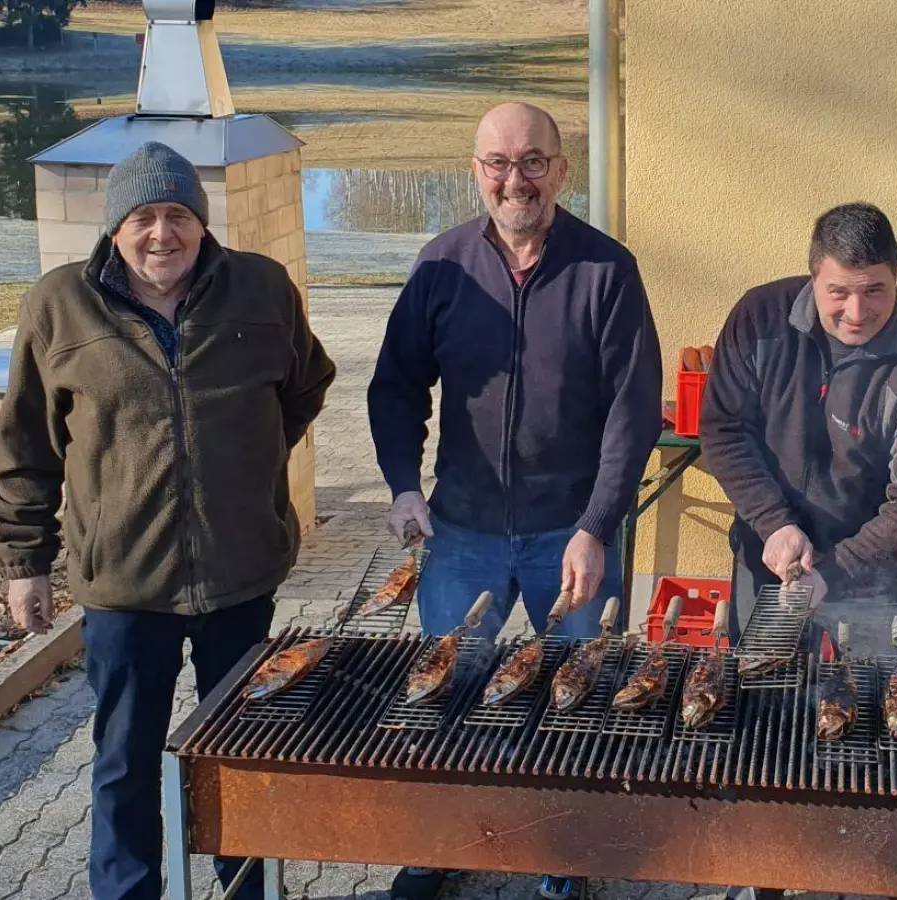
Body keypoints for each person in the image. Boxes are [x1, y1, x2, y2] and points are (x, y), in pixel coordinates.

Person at [0, 140, 336, 900]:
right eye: (142, 217)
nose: (161, 234)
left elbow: (305, 384)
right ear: (114, 229)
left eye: (178, 215)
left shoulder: (260, 288)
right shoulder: (59, 305)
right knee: (123, 761)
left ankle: (247, 887)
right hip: (122, 584)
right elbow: (26, 445)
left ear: (202, 225)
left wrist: (250, 463)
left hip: (240, 574)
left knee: (240, 754)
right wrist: (26, 562)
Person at [367, 102, 661, 900]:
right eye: (497, 162)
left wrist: (598, 524)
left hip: (570, 533)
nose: (515, 178)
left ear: (561, 171)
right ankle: (440, 844)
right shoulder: (442, 267)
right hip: (462, 531)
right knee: (446, 689)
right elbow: (395, 386)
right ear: (475, 172)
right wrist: (402, 483)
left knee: (571, 693)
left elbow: (633, 414)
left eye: (533, 161)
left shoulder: (606, 271)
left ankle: (562, 852)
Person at [701, 201, 897, 664]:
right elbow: (725, 429)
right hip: (770, 556)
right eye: (838, 292)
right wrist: (774, 523)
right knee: (764, 702)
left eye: (875, 291)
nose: (857, 312)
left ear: (896, 279)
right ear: (813, 277)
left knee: (873, 711)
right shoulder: (759, 318)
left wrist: (834, 570)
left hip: (873, 575)